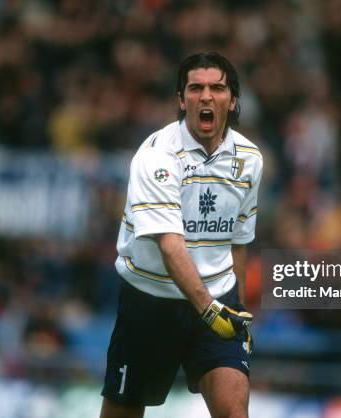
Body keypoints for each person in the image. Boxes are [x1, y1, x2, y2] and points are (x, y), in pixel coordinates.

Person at [100, 51, 263, 418]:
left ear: (232, 101)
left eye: (217, 88)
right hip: (151, 299)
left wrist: (238, 305)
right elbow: (170, 245)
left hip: (217, 300)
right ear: (181, 99)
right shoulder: (156, 156)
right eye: (196, 88)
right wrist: (208, 309)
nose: (206, 96)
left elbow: (239, 239)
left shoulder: (250, 159)